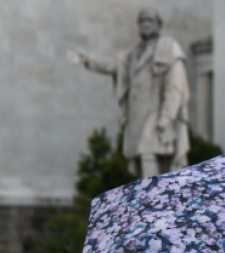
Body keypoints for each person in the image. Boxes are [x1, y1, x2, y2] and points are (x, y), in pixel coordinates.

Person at [76, 8, 190, 178]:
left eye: (149, 20)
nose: (145, 24)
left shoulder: (169, 48)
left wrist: (166, 117)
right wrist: (88, 60)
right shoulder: (133, 54)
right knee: (140, 160)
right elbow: (113, 65)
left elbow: (174, 86)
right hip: (137, 116)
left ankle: (153, 200)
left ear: (159, 25)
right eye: (142, 21)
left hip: (157, 115)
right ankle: (148, 199)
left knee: (151, 156)